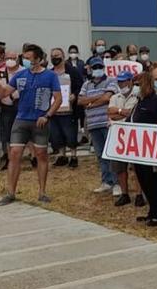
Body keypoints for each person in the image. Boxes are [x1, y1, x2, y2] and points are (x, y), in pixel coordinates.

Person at [0, 44, 61, 205]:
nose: (25, 60)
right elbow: (3, 93)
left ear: (38, 59)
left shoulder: (50, 76)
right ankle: (10, 192)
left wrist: (47, 115)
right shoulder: (21, 75)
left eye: (28, 58)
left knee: (41, 154)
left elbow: (58, 98)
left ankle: (42, 191)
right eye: (24, 57)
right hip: (21, 118)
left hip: (40, 120)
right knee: (15, 153)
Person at [129, 65, 157, 226]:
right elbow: (130, 121)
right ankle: (151, 211)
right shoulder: (138, 102)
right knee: (144, 180)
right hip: (138, 149)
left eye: (137, 84)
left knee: (154, 181)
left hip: (151, 149)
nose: (134, 88)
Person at [80, 58, 120, 195]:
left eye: (99, 66)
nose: (97, 69)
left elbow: (107, 98)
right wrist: (97, 99)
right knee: (100, 154)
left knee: (111, 154)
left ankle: (116, 183)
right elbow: (80, 101)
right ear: (90, 69)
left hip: (106, 122)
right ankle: (106, 181)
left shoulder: (110, 80)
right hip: (93, 124)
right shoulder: (86, 84)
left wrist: (90, 104)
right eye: (95, 67)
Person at [106, 70, 143, 207]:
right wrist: (122, 112)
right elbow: (110, 113)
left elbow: (134, 114)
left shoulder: (139, 94)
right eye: (120, 81)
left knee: (136, 167)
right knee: (120, 167)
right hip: (118, 136)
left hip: (134, 135)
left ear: (130, 81)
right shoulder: (115, 97)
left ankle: (139, 194)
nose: (122, 84)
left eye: (124, 81)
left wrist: (119, 113)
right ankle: (124, 193)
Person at [46, 47, 82, 168]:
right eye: (53, 56)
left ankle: (73, 156)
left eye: (57, 55)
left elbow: (80, 86)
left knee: (70, 134)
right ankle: (62, 156)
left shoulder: (72, 71)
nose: (55, 58)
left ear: (62, 56)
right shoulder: (50, 73)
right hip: (54, 110)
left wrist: (74, 95)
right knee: (56, 134)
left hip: (69, 110)